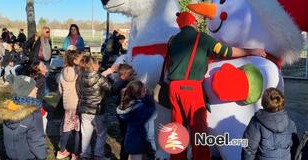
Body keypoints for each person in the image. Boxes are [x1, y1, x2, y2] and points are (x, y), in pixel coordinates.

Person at [167, 11, 267, 160]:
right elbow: (227, 51)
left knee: (177, 129)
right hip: (191, 89)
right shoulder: (201, 38)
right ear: (193, 23)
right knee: (198, 130)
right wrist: (251, 51)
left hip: (173, 88)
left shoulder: (173, 40)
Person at [0, 74, 47, 160]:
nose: (36, 88)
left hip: (11, 155)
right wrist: (42, 156)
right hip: (29, 157)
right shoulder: (33, 114)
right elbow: (36, 140)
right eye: (33, 87)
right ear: (26, 92)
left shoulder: (9, 109)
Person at [242, 88, 297, 160]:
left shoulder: (256, 123)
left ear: (263, 103)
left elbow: (248, 150)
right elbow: (295, 148)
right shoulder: (290, 123)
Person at [77, 56, 112, 159]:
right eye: (97, 63)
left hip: (84, 109)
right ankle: (98, 155)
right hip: (98, 110)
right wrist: (110, 79)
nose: (99, 65)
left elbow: (79, 92)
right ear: (93, 65)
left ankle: (85, 155)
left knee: (85, 135)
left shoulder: (80, 77)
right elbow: (110, 89)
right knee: (101, 134)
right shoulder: (100, 77)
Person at [116, 81, 155, 160]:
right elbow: (151, 110)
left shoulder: (125, 106)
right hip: (138, 140)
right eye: (144, 90)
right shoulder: (140, 108)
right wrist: (149, 97)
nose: (146, 91)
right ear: (138, 94)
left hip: (130, 139)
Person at [56, 50, 81, 160]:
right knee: (77, 130)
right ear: (75, 60)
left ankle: (61, 151)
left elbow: (60, 90)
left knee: (67, 127)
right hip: (77, 103)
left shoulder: (62, 72)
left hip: (67, 103)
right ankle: (75, 154)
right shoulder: (78, 72)